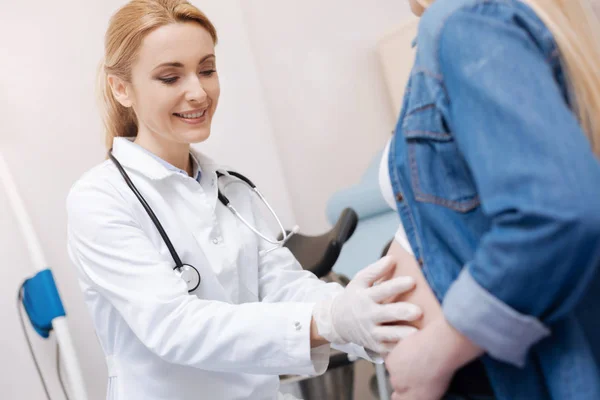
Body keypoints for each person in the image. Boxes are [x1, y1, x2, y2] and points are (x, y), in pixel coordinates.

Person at [65, 1, 424, 399]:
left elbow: (284, 287)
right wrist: (330, 320)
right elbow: (174, 327)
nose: (198, 92)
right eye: (170, 77)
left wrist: (367, 314)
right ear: (121, 88)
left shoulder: (231, 190)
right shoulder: (99, 200)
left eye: (207, 70)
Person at [379, 0, 600, 399]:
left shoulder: (463, 26)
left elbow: (555, 214)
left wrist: (433, 354)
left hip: (507, 373)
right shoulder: (485, 24)